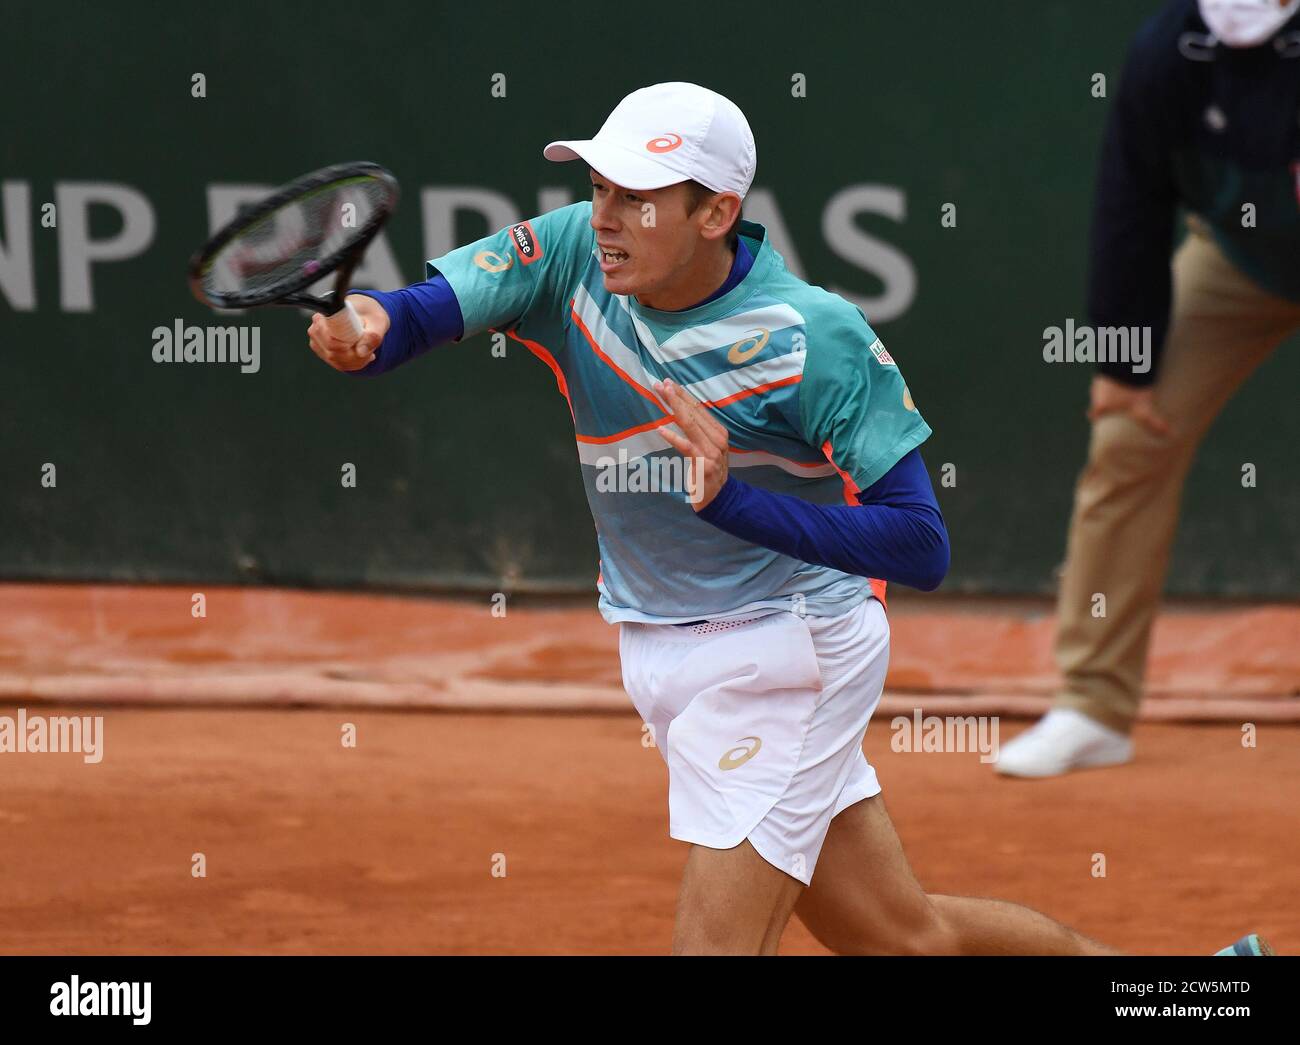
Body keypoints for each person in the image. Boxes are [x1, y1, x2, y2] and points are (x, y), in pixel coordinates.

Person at [307, 82, 1264, 957]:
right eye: (599, 188)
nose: (605, 218)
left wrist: (735, 502)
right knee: (907, 938)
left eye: (638, 197)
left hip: (789, 654)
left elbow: (920, 545)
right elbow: (421, 311)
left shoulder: (815, 338)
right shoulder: (570, 256)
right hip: (662, 647)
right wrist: (366, 331)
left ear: (716, 211)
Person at [995, 0, 1300, 779]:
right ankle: (1093, 705)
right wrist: (1122, 360)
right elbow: (1131, 201)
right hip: (1243, 261)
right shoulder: (1170, 51)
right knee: (1128, 437)